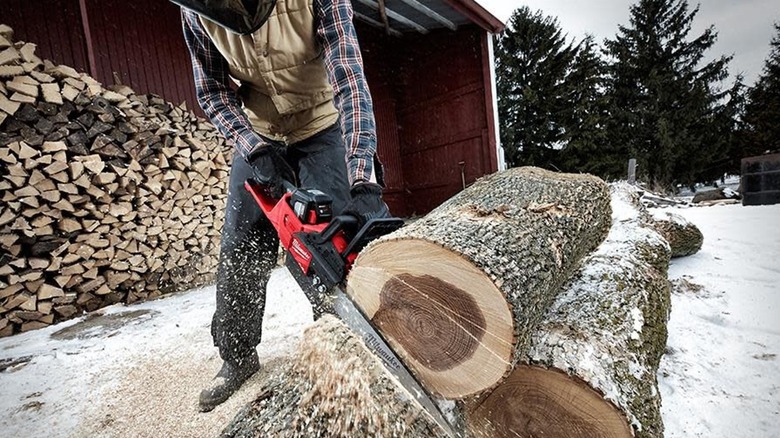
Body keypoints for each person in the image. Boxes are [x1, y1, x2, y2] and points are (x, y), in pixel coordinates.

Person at [174, 0, 390, 412]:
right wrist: (252, 146)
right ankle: (236, 357)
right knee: (241, 250)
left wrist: (362, 174)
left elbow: (348, 76)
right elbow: (213, 91)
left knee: (335, 242)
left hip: (322, 122)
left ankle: (343, 341)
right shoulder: (195, 9)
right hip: (260, 133)